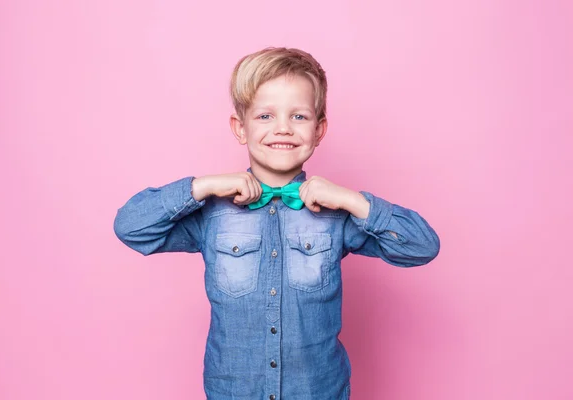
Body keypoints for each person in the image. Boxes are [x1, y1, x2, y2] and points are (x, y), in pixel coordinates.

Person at [113, 47, 440, 400]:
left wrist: (351, 200)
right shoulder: (212, 214)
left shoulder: (336, 214)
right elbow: (131, 226)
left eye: (299, 116)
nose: (282, 128)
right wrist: (202, 186)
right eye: (265, 116)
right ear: (240, 128)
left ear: (319, 130)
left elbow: (422, 246)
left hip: (319, 391)